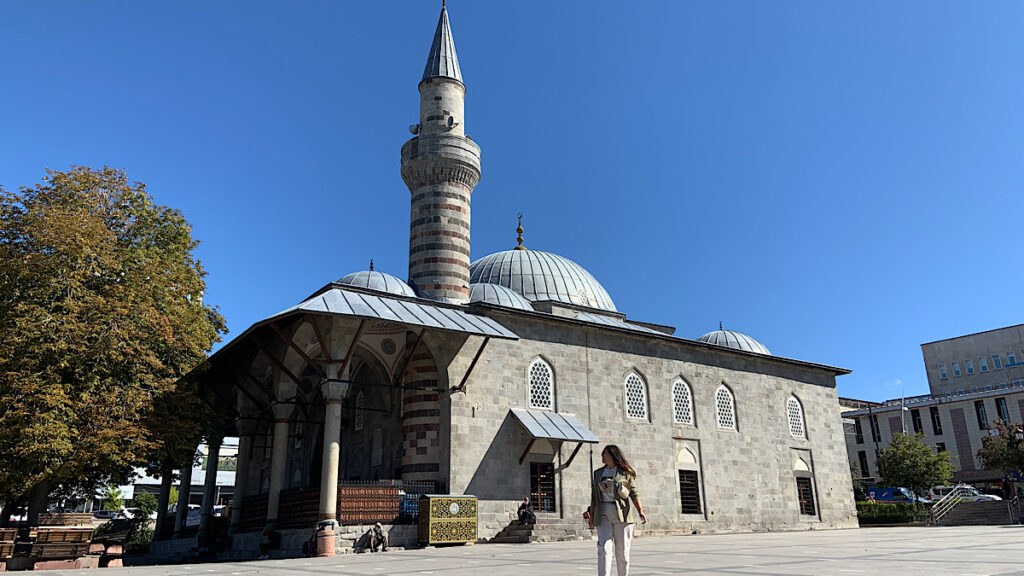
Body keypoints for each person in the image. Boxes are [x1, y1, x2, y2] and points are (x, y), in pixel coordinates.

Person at [586, 445, 647, 576]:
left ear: (613, 455)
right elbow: (594, 497)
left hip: (622, 514)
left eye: (605, 453)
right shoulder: (598, 473)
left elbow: (634, 493)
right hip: (603, 513)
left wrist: (640, 510)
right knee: (603, 548)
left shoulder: (625, 473)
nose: (602, 456)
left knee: (622, 551)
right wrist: (591, 517)